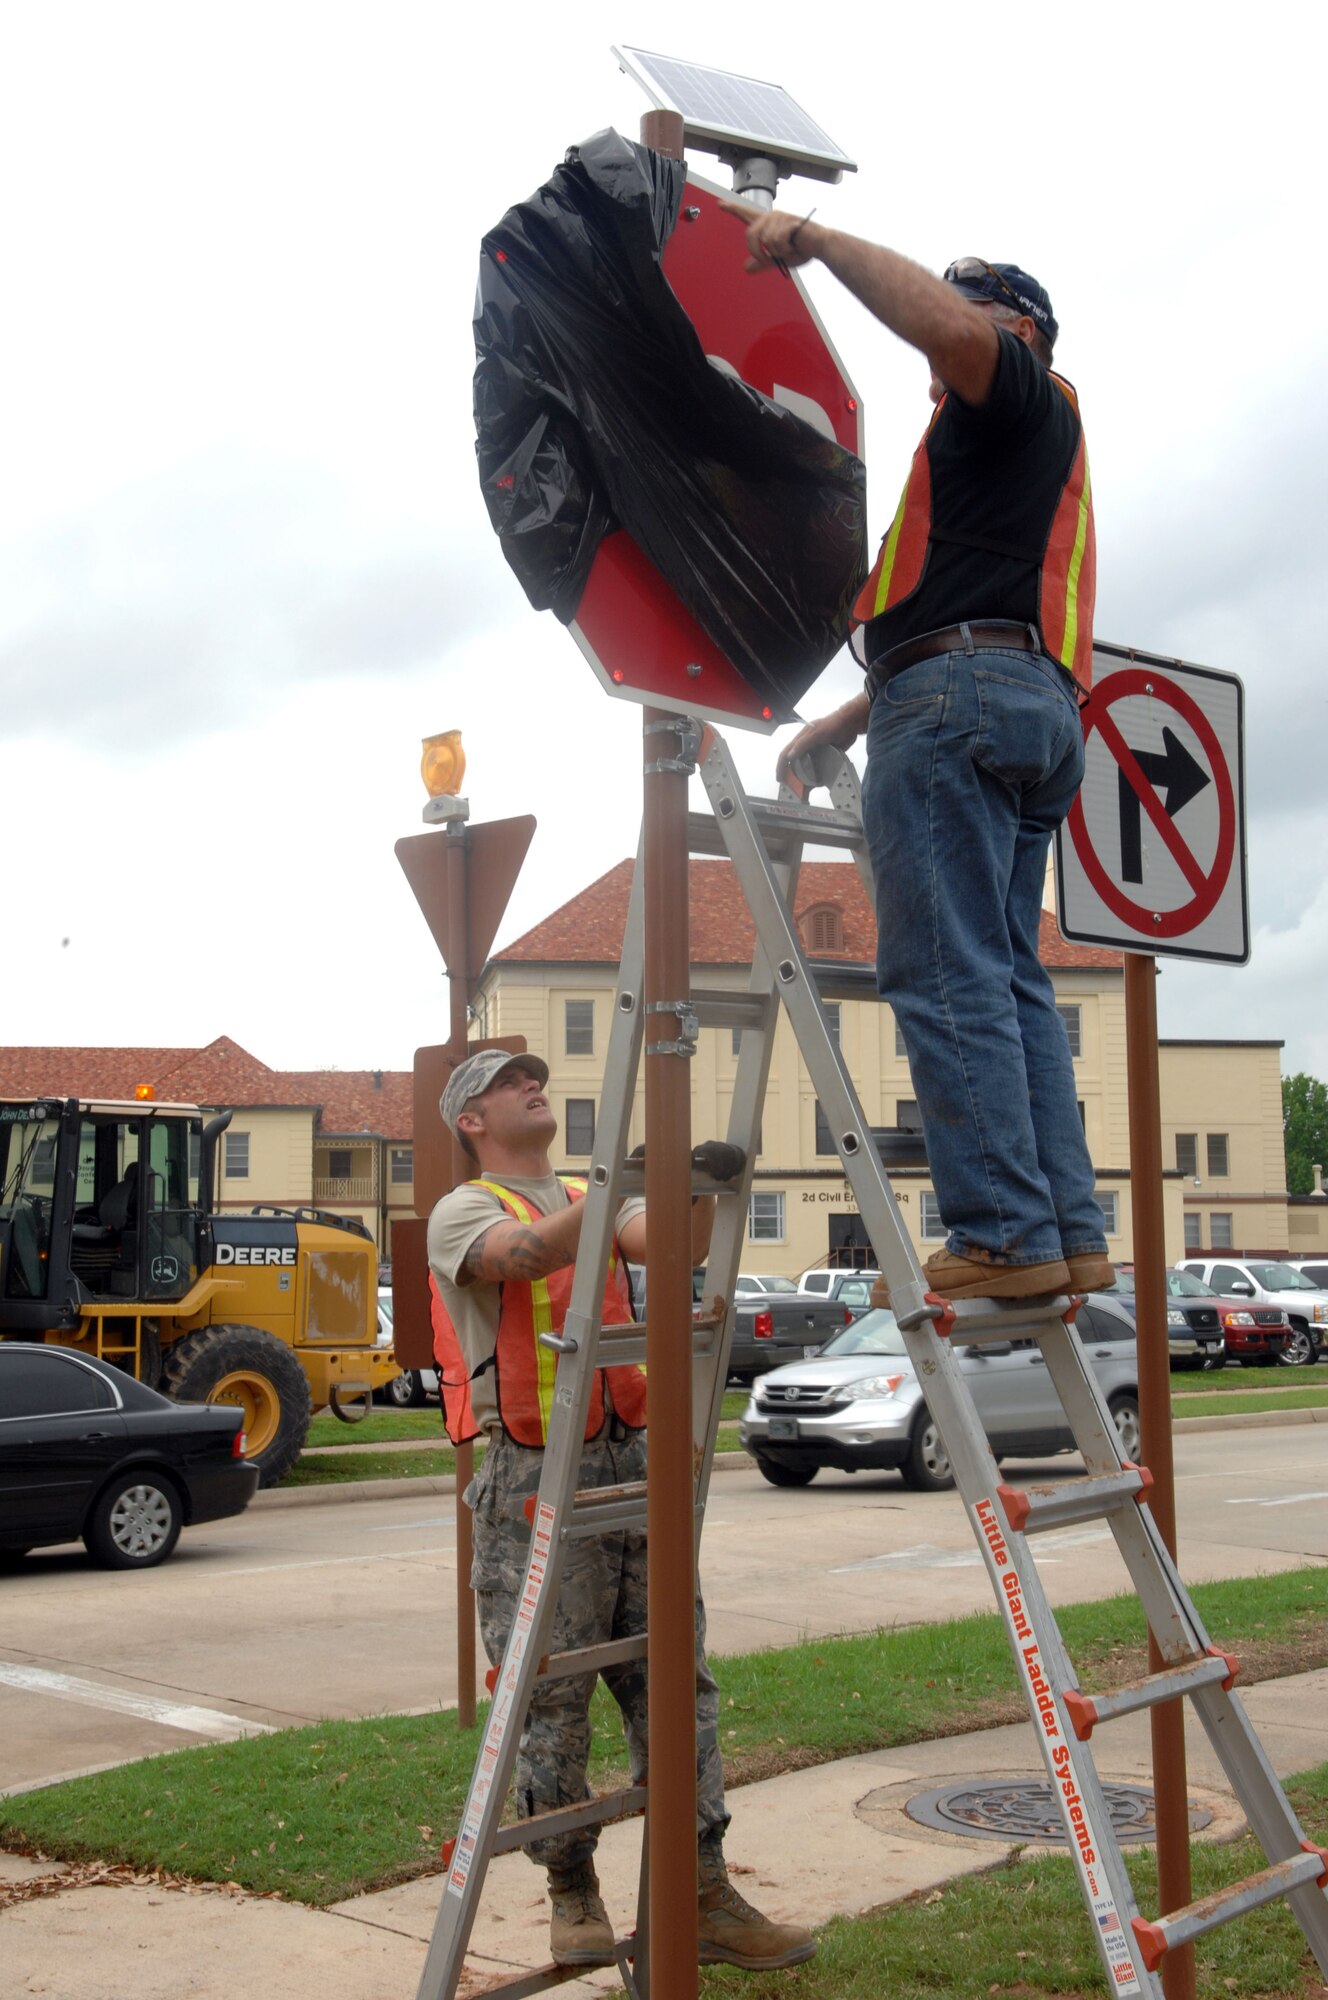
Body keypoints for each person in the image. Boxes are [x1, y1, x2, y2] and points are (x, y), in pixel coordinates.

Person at [720, 203, 1111, 1303]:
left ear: (1019, 330)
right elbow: (974, 602)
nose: (946, 351)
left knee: (942, 972)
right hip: (1023, 703)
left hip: (962, 705)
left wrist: (818, 242)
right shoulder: (1017, 455)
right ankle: (1065, 1229)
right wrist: (852, 713)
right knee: (1008, 978)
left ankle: (1001, 1230)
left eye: (975, 313)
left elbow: (956, 334)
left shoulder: (1014, 395)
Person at [426, 1047, 815, 1972]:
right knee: (550, 1695)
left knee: (678, 1678)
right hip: (531, 1474)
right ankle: (572, 1893)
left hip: (628, 1464)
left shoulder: (595, 1194)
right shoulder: (466, 1209)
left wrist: (697, 1180)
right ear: (470, 1121)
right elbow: (517, 1261)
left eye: (536, 1077)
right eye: (506, 1082)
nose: (534, 1084)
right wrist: (615, 1194)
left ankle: (704, 1889)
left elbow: (668, 1243)